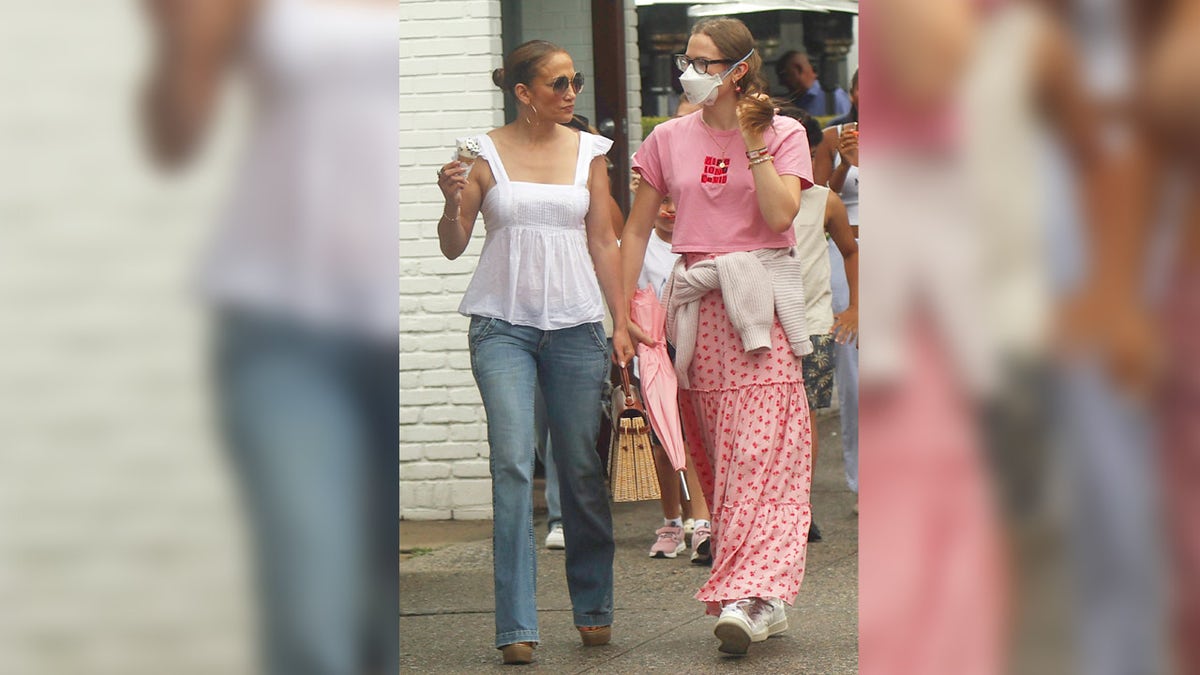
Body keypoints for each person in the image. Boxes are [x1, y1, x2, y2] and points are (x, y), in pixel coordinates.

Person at [142, 1, 398, 673]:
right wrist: (176, 41)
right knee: (312, 611)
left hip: (389, 329)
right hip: (283, 324)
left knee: (379, 622)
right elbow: (174, 136)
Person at [435, 39, 635, 666]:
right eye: (556, 83)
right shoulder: (481, 153)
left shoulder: (591, 152)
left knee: (578, 468)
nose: (570, 91)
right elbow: (453, 243)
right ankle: (516, 624)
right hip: (502, 327)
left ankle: (593, 606)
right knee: (514, 464)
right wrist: (449, 199)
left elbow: (603, 240)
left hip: (577, 326)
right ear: (523, 93)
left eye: (573, 80)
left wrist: (622, 321)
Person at [621, 17, 814, 656]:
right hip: (699, 311)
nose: (691, 71)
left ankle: (750, 593)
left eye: (705, 62)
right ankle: (758, 594)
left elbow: (782, 213)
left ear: (739, 69)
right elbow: (635, 229)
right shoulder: (669, 138)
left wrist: (756, 142)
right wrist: (624, 310)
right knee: (724, 459)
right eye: (688, 58)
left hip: (761, 306)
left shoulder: (783, 132)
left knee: (765, 454)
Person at [780, 107, 860, 540]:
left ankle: (799, 507)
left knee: (805, 414)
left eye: (801, 150)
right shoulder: (750, 193)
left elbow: (850, 250)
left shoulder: (823, 200)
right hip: (758, 325)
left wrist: (854, 308)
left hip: (811, 322)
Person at [635, 193, 715, 564]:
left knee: (693, 437)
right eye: (662, 201)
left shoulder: (700, 243)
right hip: (651, 351)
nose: (668, 210)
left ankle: (702, 522)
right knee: (662, 443)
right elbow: (624, 300)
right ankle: (671, 522)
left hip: (693, 348)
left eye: (676, 202)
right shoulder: (635, 245)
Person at [813, 101, 861, 501]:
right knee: (854, 375)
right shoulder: (834, 136)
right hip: (848, 250)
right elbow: (816, 197)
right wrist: (845, 162)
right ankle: (863, 479)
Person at [775, 50, 851, 118]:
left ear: (799, 69)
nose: (781, 82)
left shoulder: (833, 97)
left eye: (784, 75)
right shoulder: (793, 102)